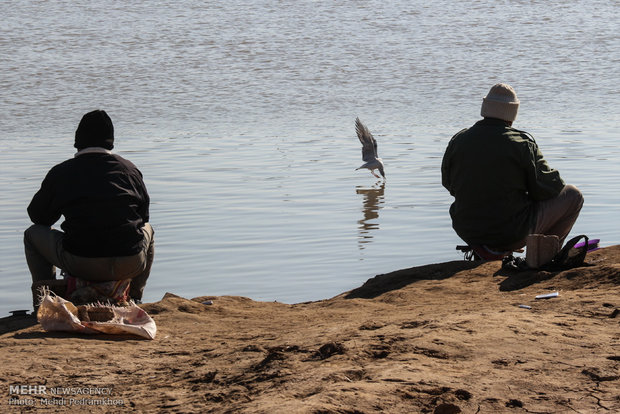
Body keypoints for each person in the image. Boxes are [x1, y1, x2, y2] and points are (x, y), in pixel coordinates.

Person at [24, 110, 154, 309]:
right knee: (149, 229)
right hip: (129, 261)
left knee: (32, 234)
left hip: (82, 261)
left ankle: (46, 299)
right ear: (111, 141)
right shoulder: (130, 170)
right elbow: (143, 217)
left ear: (78, 140)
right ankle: (135, 297)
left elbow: (38, 217)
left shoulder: (63, 172)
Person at [441, 83, 583, 258]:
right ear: (513, 113)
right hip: (510, 233)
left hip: (468, 231)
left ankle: (486, 249)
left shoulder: (458, 140)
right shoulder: (522, 143)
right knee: (573, 196)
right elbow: (548, 188)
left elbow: (449, 185)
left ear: (484, 108)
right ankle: (542, 256)